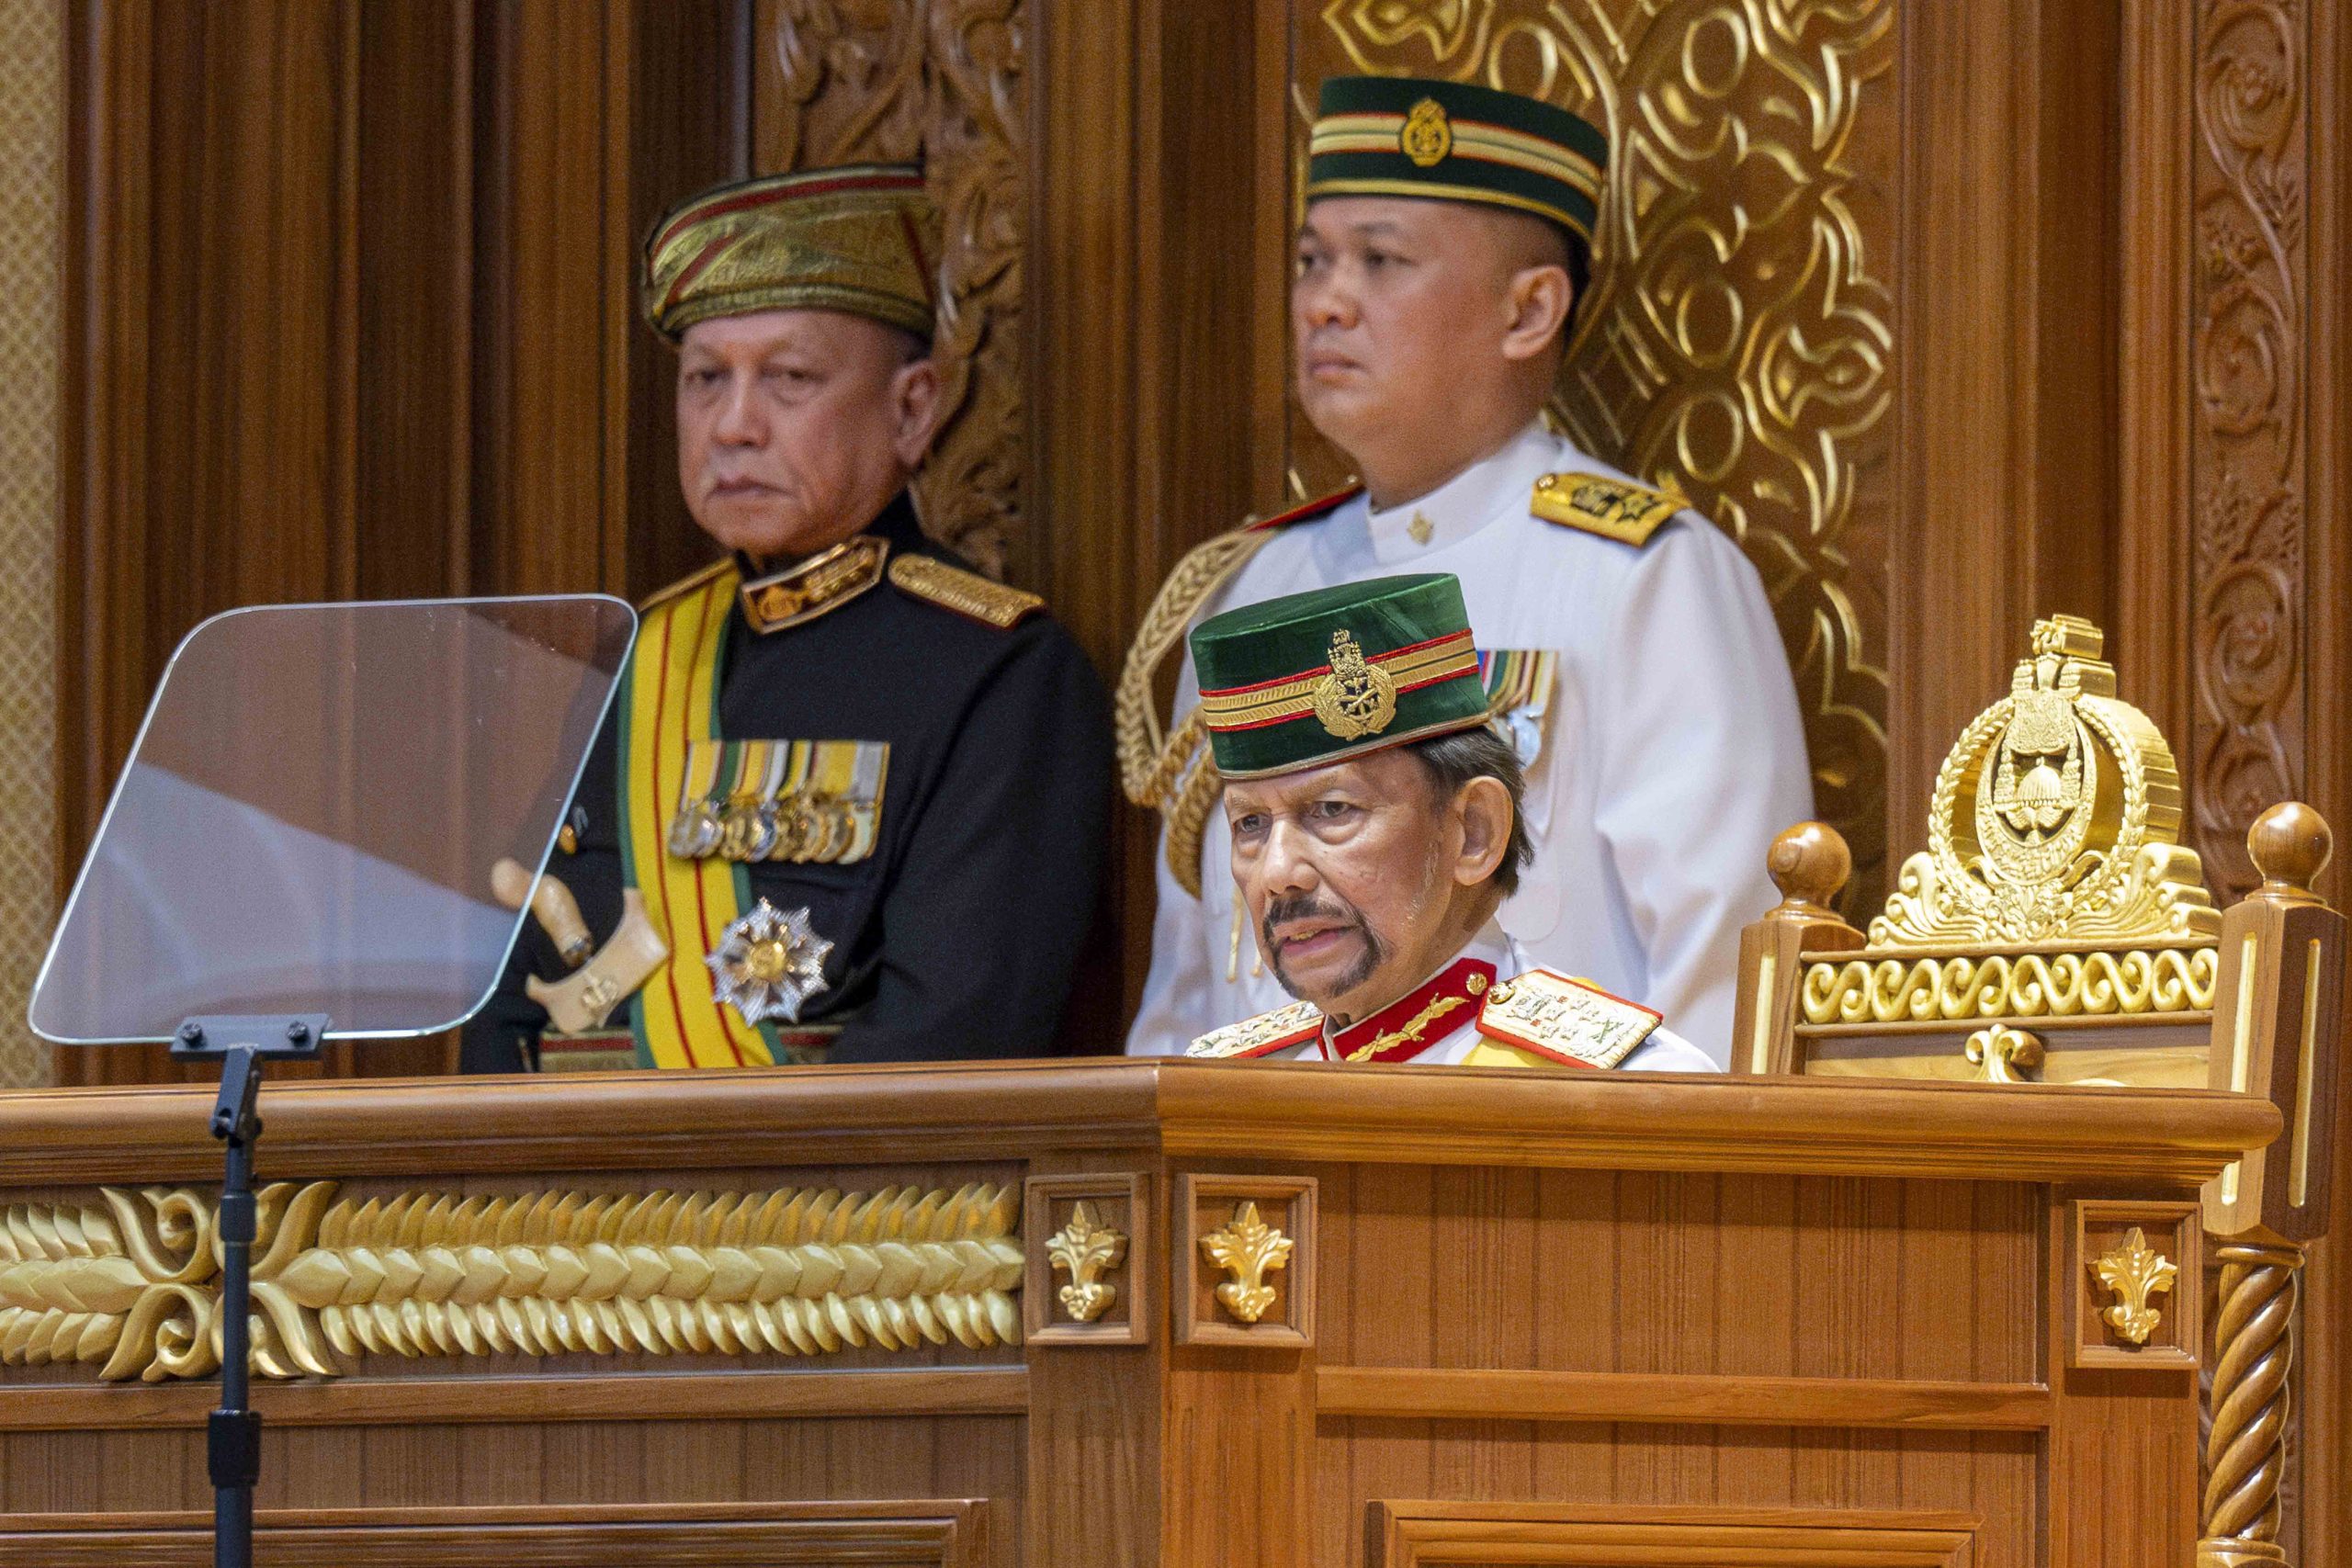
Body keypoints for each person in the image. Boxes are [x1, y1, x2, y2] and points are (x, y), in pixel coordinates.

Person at [1122, 75, 1811, 1066]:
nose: (1324, 302)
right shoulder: (1253, 583)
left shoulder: (1646, 577)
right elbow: (1189, 985)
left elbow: (1723, 986)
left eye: (1381, 260)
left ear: (1529, 310)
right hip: (1267, 1146)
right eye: (1313, 261)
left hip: (1543, 1143)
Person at [465, 164, 1112, 1072]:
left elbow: (949, 1049)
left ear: (912, 410)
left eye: (789, 377)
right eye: (705, 378)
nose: (734, 425)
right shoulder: (645, 656)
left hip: (844, 1168)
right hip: (572, 1167)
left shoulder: (999, 673)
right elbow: (506, 1011)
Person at [1181, 572, 1711, 1070]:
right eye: (1250, 824)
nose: (1277, 873)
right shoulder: (1214, 1091)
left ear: (1475, 832)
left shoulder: (1629, 1092)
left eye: (1333, 810)